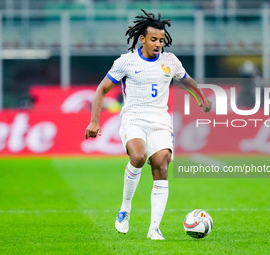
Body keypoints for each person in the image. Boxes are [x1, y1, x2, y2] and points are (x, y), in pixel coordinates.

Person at [85, 9, 212, 240]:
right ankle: (125, 209)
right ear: (142, 39)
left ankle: (154, 228)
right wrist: (95, 121)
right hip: (133, 118)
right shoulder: (126, 62)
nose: (158, 44)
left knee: (161, 163)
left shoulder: (170, 61)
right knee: (139, 156)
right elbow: (101, 89)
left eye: (161, 40)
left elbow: (187, 81)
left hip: (160, 121)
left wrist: (201, 99)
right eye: (153, 39)